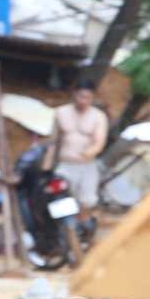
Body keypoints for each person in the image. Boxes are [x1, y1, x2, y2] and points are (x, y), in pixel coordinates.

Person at [48, 78, 109, 232]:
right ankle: (63, 233)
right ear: (74, 93)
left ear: (93, 98)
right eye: (81, 96)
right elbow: (52, 142)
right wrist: (46, 166)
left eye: (88, 98)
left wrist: (90, 151)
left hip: (87, 167)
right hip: (65, 166)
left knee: (86, 202)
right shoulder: (61, 113)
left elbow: (99, 142)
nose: (83, 101)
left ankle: (80, 233)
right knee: (57, 196)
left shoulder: (98, 117)